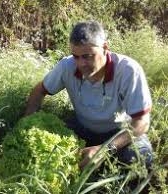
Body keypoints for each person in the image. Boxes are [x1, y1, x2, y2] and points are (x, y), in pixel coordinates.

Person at [25, 20, 153, 170]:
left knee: (141, 158)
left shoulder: (128, 71)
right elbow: (39, 90)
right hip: (81, 128)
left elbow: (142, 122)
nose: (81, 64)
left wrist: (105, 149)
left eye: (87, 56)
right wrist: (27, 124)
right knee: (44, 150)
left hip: (118, 133)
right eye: (76, 56)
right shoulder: (67, 66)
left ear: (105, 48)